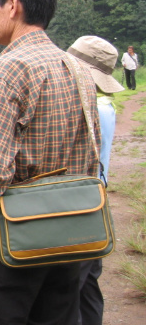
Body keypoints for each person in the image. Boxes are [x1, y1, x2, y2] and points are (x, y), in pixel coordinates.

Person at [0, 0, 100, 325]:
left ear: (12, 5)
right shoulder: (76, 66)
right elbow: (91, 153)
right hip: (69, 229)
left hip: (14, 229)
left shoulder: (9, 66)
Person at [67, 36, 124, 325]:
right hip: (94, 201)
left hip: (79, 204)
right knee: (88, 281)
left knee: (68, 288)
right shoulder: (105, 105)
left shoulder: (93, 107)